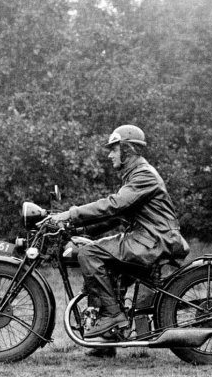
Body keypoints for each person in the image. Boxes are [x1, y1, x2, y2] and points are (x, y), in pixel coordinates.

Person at [48, 125, 190, 341]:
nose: (109, 154)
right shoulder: (134, 175)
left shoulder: (143, 175)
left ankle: (114, 317)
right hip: (148, 238)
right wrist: (78, 228)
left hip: (154, 240)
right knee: (106, 265)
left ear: (128, 150)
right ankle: (109, 335)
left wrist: (71, 214)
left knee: (89, 253)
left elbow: (114, 205)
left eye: (114, 149)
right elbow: (117, 217)